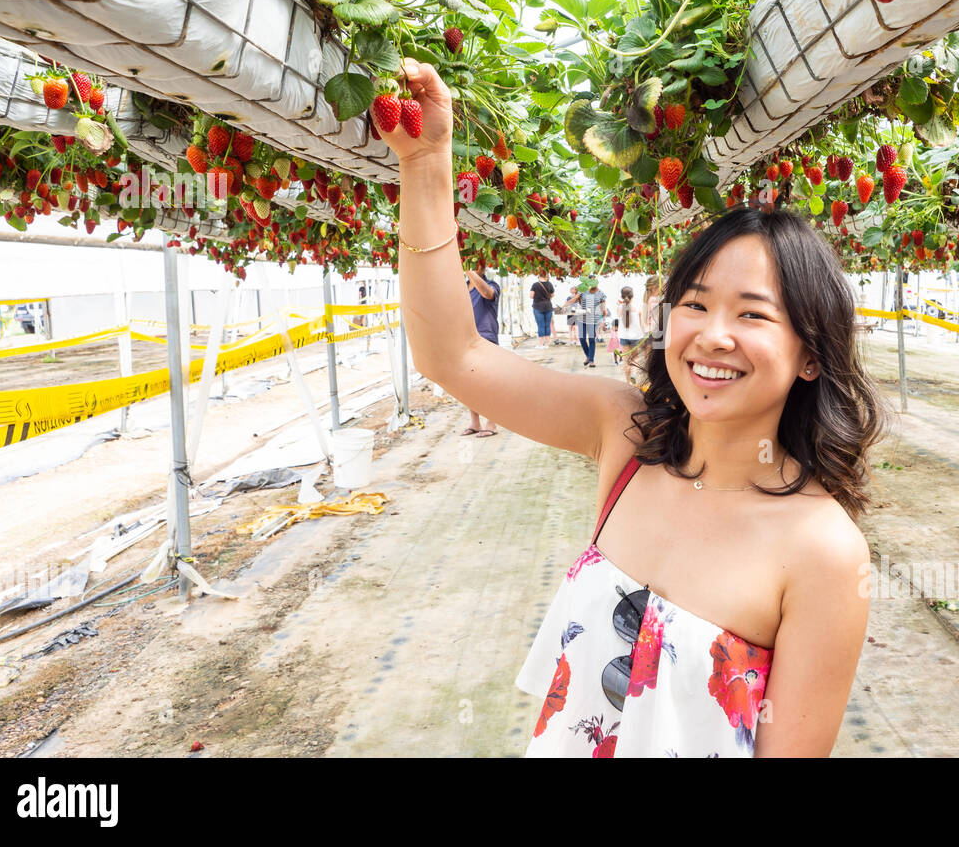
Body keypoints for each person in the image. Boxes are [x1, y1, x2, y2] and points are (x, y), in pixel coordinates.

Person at [380, 56, 886, 758]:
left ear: (811, 354)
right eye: (696, 304)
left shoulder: (824, 554)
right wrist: (427, 164)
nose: (712, 335)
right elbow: (453, 356)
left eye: (753, 315)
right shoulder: (626, 438)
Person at [460, 265, 500, 438]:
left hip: (486, 338)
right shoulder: (461, 288)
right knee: (469, 384)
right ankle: (475, 423)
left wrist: (469, 271)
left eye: (477, 264)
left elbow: (486, 294)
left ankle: (492, 423)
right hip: (465, 339)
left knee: (488, 382)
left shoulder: (492, 285)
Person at [563, 279, 607, 368]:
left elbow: (604, 310)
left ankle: (591, 360)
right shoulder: (583, 290)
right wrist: (564, 306)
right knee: (582, 339)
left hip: (593, 319)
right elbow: (574, 299)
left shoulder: (601, 294)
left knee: (591, 339)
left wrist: (603, 321)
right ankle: (588, 355)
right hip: (582, 318)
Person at [616, 285, 643, 386]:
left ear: (622, 296)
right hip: (636, 337)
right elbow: (642, 324)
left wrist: (620, 304)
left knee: (626, 361)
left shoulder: (619, 307)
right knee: (635, 358)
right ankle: (634, 373)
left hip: (624, 337)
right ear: (633, 296)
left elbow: (619, 314)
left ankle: (627, 383)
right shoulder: (637, 307)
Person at [529, 275, 555, 349]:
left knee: (541, 325)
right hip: (548, 306)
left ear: (539, 276)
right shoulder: (549, 284)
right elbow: (552, 295)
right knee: (547, 325)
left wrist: (538, 296)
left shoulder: (535, 285)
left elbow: (531, 296)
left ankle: (540, 344)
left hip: (538, 306)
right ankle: (546, 344)